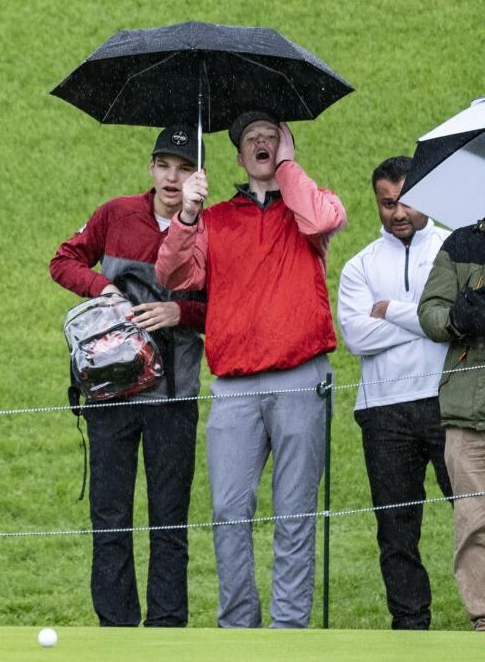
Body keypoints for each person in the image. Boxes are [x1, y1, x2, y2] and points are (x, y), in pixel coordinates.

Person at [156, 111, 346, 628]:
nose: (260, 144)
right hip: (234, 386)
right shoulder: (215, 218)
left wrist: (288, 166)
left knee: (294, 512)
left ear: (286, 148)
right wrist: (188, 215)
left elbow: (323, 221)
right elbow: (171, 273)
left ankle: (288, 629)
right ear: (238, 157)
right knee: (229, 511)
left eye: (271, 137)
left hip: (301, 378)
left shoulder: (309, 204)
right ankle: (237, 626)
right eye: (251, 140)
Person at [49, 126, 206, 627]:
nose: (172, 177)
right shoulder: (117, 214)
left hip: (174, 395)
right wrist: (104, 290)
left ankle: (166, 629)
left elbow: (227, 305)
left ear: (199, 176)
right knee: (110, 516)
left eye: (183, 168)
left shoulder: (211, 227)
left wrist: (180, 313)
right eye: (164, 165)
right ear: (151, 168)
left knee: (169, 519)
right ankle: (115, 630)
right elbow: (63, 260)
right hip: (111, 392)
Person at [337, 155, 452, 630]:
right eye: (387, 204)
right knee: (396, 529)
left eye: (405, 200)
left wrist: (390, 312)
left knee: (475, 512)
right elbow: (355, 336)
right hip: (382, 411)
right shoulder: (358, 265)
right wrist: (424, 319)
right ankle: (409, 625)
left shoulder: (455, 247)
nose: (397, 212)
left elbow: (455, 322)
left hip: (449, 405)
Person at [417, 210, 485, 632]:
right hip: (468, 412)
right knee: (475, 518)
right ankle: (483, 615)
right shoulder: (461, 244)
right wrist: (458, 319)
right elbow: (430, 312)